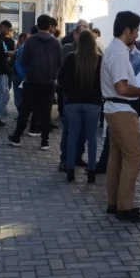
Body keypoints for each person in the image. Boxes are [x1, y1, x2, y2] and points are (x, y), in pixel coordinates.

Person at [101, 11, 140, 223]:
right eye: (136, 30)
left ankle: (115, 202)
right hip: (122, 110)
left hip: (113, 109)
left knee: (117, 157)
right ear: (127, 30)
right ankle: (125, 206)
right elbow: (121, 87)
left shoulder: (112, 48)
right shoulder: (120, 52)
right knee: (134, 157)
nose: (138, 35)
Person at [8, 15, 62, 150]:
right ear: (50, 26)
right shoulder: (56, 42)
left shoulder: (30, 41)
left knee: (25, 109)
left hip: (31, 80)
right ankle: (45, 140)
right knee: (46, 111)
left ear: (37, 25)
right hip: (49, 81)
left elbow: (23, 60)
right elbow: (60, 62)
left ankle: (17, 136)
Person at [58, 30, 103, 184]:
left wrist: (69, 93)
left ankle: (70, 169)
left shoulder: (71, 57)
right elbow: (104, 82)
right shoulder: (98, 59)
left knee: (72, 135)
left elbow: (61, 79)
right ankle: (91, 171)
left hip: (73, 102)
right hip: (93, 104)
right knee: (92, 138)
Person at [59, 24, 90, 171]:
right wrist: (67, 92)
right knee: (69, 129)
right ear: (75, 35)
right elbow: (62, 74)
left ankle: (78, 156)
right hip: (71, 98)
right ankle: (65, 158)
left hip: (87, 99)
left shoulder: (92, 52)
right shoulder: (68, 49)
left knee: (83, 130)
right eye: (82, 34)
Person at [13, 32, 29, 114]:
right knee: (21, 94)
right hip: (21, 75)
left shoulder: (20, 47)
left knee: (18, 94)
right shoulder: (23, 47)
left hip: (19, 74)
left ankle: (21, 112)